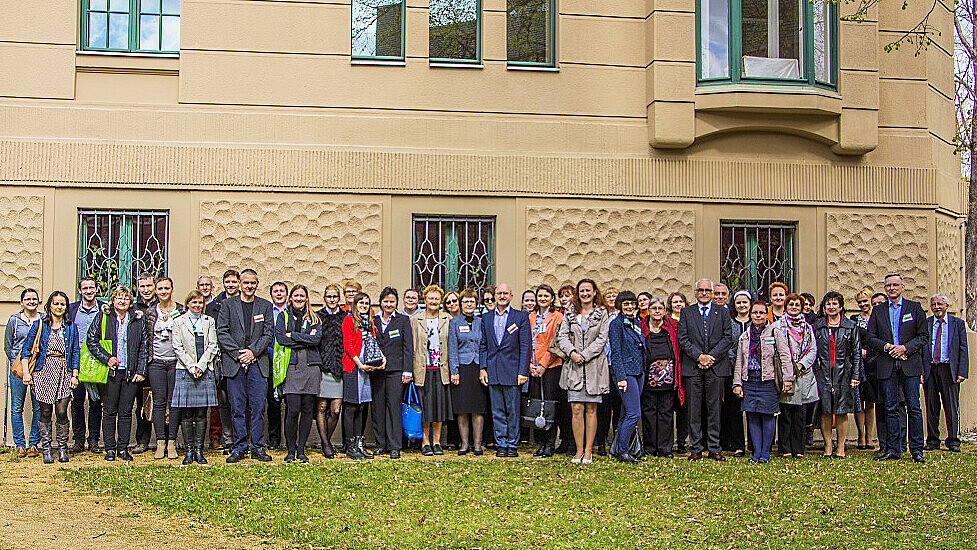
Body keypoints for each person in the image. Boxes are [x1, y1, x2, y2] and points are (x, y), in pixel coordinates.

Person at [867, 273, 928, 463]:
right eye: (888, 286)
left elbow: (923, 336)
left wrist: (905, 348)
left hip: (909, 364)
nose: (892, 288)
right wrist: (887, 347)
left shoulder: (914, 308)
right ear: (884, 288)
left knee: (914, 407)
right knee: (890, 408)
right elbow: (870, 338)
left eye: (895, 285)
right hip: (887, 364)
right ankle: (893, 449)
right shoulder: (878, 311)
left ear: (902, 287)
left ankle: (916, 449)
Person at [216, 268, 275, 463]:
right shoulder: (227, 305)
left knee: (258, 408)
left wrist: (252, 352)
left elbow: (268, 334)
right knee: (237, 408)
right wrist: (239, 354)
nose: (249, 286)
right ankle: (239, 447)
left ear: (257, 285)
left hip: (258, 363)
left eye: (253, 283)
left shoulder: (265, 306)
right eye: (246, 283)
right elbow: (222, 332)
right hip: (235, 363)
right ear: (240, 284)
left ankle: (258, 447)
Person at [88, 286, 149, 461]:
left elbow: (144, 347)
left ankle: (123, 448)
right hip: (110, 372)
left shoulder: (137, 319)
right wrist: (106, 358)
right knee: (109, 411)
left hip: (130, 373)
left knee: (125, 412)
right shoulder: (103, 316)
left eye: (126, 298)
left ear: (130, 302)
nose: (122, 301)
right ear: (113, 300)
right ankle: (109, 448)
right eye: (119, 298)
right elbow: (91, 340)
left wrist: (140, 371)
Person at [677, 279, 733, 461]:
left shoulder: (723, 312)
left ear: (712, 293)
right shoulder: (687, 312)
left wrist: (711, 357)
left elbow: (727, 338)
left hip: (716, 367)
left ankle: (714, 447)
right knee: (694, 410)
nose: (704, 293)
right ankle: (696, 447)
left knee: (714, 409)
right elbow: (683, 338)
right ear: (695, 293)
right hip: (693, 368)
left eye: (707, 290)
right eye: (700, 290)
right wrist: (699, 356)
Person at [732, 301, 794, 463]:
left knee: (767, 416)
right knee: (752, 415)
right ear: (750, 314)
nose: (758, 316)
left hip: (768, 380)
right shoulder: (745, 336)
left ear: (766, 315)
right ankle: (756, 452)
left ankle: (765, 452)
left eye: (761, 313)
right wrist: (737, 383)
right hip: (749, 380)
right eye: (755, 313)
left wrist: (788, 378)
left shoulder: (775, 333)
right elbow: (739, 361)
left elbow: (785, 356)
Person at [557, 279, 610, 464]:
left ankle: (588, 451)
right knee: (577, 408)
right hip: (574, 367)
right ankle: (578, 450)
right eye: (582, 291)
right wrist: (572, 353)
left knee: (591, 409)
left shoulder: (602, 313)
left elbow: (602, 338)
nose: (585, 293)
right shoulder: (570, 312)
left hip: (594, 366)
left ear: (594, 292)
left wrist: (585, 355)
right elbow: (562, 336)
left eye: (588, 290)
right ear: (577, 294)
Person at [22, 291, 80, 464]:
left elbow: (75, 352)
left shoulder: (71, 327)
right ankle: (46, 449)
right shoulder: (40, 325)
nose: (59, 307)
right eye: (56, 303)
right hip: (43, 371)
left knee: (62, 412)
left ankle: (62, 448)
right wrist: (26, 372)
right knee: (45, 411)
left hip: (63, 371)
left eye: (62, 304)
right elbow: (26, 350)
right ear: (50, 306)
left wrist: (74, 374)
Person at [480, 283, 531, 458]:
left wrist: (523, 372)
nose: (502, 296)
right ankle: (501, 443)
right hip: (493, 371)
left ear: (511, 296)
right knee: (497, 411)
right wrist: (483, 368)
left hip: (513, 371)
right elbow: (483, 345)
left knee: (513, 411)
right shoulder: (486, 318)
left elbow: (525, 346)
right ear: (495, 296)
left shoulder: (520, 317)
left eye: (505, 293)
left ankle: (512, 444)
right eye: (499, 293)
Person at [275, 284, 322, 463]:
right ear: (291, 298)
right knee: (293, 409)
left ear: (307, 298)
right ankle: (291, 450)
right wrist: (305, 338)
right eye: (296, 295)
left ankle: (301, 450)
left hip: (311, 368)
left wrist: (293, 335)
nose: (299, 298)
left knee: (307, 409)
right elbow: (281, 339)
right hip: (292, 368)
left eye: (302, 296)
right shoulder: (283, 316)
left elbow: (316, 340)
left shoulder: (314, 318)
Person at [171, 290, 219, 465]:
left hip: (204, 369)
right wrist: (192, 366)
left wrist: (201, 365)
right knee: (186, 413)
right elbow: (177, 347)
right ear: (187, 304)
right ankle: (189, 451)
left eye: (200, 302)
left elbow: (213, 345)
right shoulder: (178, 321)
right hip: (185, 370)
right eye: (194, 302)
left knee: (201, 413)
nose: (197, 305)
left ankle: (199, 450)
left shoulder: (209, 321)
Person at [812, 291, 862, 459]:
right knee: (825, 410)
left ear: (840, 307)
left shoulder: (850, 326)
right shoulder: (817, 326)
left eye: (834, 304)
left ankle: (840, 446)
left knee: (841, 410)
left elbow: (856, 353)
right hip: (823, 373)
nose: (831, 307)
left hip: (844, 374)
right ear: (824, 307)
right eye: (828, 304)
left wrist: (855, 375)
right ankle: (828, 445)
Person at [144, 276, 185, 460]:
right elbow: (146, 338)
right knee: (159, 402)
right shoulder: (150, 312)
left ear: (172, 289)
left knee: (174, 402)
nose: (163, 292)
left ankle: (172, 442)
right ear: (156, 291)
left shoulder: (181, 311)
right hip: (156, 363)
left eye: (166, 288)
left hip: (177, 362)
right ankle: (160, 442)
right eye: (160, 288)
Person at [923, 293, 968, 453]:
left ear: (947, 306)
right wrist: (921, 371)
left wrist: (962, 371)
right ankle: (932, 440)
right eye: (933, 304)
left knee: (951, 406)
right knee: (931, 406)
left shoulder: (957, 324)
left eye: (940, 304)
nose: (936, 307)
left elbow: (963, 348)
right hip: (930, 369)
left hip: (949, 370)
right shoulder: (926, 323)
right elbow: (922, 348)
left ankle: (953, 440)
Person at [774, 293, 818, 458]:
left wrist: (801, 365)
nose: (794, 307)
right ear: (786, 307)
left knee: (800, 413)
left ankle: (798, 449)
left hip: (803, 373)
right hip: (786, 374)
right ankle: (785, 448)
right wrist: (789, 368)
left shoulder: (808, 328)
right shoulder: (777, 326)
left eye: (797, 305)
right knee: (785, 412)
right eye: (791, 304)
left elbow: (813, 349)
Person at [373, 287, 414, 459]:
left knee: (394, 408)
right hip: (376, 370)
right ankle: (380, 444)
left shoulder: (403, 320)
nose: (389, 305)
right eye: (386, 301)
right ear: (380, 302)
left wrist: (407, 371)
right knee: (378, 408)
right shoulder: (374, 320)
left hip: (396, 371)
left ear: (396, 303)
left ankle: (395, 445)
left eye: (392, 301)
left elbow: (408, 347)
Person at [639, 297, 682, 458]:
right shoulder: (641, 327)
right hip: (648, 379)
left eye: (660, 308)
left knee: (666, 413)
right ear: (649, 311)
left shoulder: (672, 327)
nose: (657, 311)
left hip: (668, 380)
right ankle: (650, 448)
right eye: (654, 308)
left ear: (664, 311)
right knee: (649, 413)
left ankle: (665, 448)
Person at [413, 285, 452, 456]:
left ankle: (436, 441)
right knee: (424, 408)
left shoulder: (447, 319)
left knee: (438, 408)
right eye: (431, 298)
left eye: (437, 298)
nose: (434, 301)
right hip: (423, 369)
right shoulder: (416, 320)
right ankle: (425, 441)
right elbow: (412, 346)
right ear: (425, 300)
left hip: (441, 369)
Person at [342, 291, 382, 459]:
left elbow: (374, 343)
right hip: (353, 367)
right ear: (355, 305)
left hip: (366, 368)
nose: (364, 306)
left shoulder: (369, 322)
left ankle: (359, 444)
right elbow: (348, 345)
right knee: (351, 406)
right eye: (361, 303)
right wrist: (360, 365)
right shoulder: (349, 320)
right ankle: (350, 445)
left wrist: (382, 359)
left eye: (366, 303)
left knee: (362, 406)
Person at [526, 284, 565, 457]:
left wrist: (543, 364)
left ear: (552, 298)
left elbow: (555, 342)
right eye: (540, 296)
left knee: (549, 405)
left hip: (550, 367)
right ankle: (540, 443)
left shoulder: (557, 317)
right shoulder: (531, 316)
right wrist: (529, 364)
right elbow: (526, 342)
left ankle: (550, 443)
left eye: (546, 296)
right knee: (536, 404)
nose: (542, 299)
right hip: (533, 367)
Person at [448, 288, 488, 456]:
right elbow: (452, 348)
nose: (469, 304)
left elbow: (485, 346)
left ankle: (477, 444)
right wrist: (454, 370)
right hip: (462, 369)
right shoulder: (454, 322)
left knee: (478, 408)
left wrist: (484, 368)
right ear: (461, 304)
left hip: (478, 368)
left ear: (476, 303)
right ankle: (464, 444)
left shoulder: (482, 322)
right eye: (465, 301)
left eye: (472, 301)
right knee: (462, 408)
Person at [607, 291, 644, 464]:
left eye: (632, 303)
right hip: (626, 373)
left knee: (625, 413)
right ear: (620, 306)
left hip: (639, 372)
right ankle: (623, 451)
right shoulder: (616, 324)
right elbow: (616, 353)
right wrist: (620, 377)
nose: (630, 307)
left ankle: (618, 449)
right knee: (633, 414)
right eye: (626, 304)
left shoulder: (636, 322)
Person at [5, 288, 42, 458]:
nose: (31, 302)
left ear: (38, 301)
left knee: (38, 407)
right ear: (21, 302)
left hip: (38, 367)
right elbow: (8, 345)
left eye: (34, 299)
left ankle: (33, 443)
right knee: (16, 407)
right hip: (18, 369)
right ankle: (20, 444)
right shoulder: (14, 320)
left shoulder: (43, 319)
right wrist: (17, 363)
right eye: (27, 299)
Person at [68, 277, 103, 454]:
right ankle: (79, 440)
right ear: (80, 291)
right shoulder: (71, 309)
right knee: (77, 401)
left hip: (97, 362)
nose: (89, 291)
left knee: (96, 402)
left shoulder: (104, 308)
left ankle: (94, 440)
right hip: (77, 361)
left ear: (97, 289)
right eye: (85, 288)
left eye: (91, 288)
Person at [206, 269, 240, 450]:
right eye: (228, 282)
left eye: (234, 282)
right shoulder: (213, 306)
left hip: (240, 357)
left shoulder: (246, 302)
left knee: (239, 400)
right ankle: (222, 438)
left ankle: (240, 437)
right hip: (219, 358)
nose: (231, 285)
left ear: (239, 283)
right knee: (221, 401)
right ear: (223, 283)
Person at [314, 284, 346, 458]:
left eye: (335, 297)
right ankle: (326, 444)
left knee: (335, 410)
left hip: (339, 369)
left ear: (339, 298)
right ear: (324, 298)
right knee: (321, 406)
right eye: (329, 297)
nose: (332, 300)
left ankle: (326, 439)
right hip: (322, 368)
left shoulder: (345, 317)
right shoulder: (318, 316)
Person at [722, 289, 751, 457]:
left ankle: (754, 443)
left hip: (753, 373)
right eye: (738, 302)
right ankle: (738, 444)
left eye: (744, 302)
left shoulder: (756, 322)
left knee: (753, 409)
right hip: (732, 371)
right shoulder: (729, 323)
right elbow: (727, 344)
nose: (742, 305)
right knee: (734, 410)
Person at [595, 287, 621, 456]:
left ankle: (618, 441)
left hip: (617, 366)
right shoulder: (600, 315)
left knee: (618, 405)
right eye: (608, 296)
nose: (611, 298)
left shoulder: (622, 316)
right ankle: (601, 441)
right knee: (603, 407)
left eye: (614, 296)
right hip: (603, 365)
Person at [851, 286, 877, 450]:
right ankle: (861, 436)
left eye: (865, 301)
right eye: (859, 302)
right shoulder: (854, 320)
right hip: (859, 363)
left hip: (874, 362)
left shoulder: (877, 317)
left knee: (870, 401)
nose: (862, 304)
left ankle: (870, 436)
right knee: (859, 400)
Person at [266, 281, 289, 451]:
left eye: (282, 291)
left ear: (286, 295)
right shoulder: (267, 311)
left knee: (290, 401)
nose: (279, 294)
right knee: (273, 402)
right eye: (276, 291)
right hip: (270, 359)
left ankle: (289, 438)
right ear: (271, 294)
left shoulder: (292, 312)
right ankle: (274, 439)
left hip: (288, 360)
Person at [665, 290, 688, 452]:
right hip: (670, 369)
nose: (678, 304)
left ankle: (681, 442)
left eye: (681, 301)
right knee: (668, 408)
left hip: (686, 368)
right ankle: (667, 442)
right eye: (675, 302)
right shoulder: (667, 322)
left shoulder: (689, 320)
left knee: (683, 410)